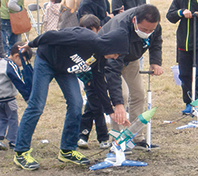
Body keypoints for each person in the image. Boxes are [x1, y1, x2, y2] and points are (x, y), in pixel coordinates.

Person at [13, 26, 129, 171]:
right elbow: (51, 35)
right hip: (46, 60)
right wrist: (31, 44)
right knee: (37, 105)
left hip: (64, 70)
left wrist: (110, 111)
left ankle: (67, 150)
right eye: (117, 53)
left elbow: (99, 84)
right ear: (110, 45)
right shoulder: (84, 38)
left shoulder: (100, 57)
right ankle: (21, 152)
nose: (116, 57)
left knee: (76, 103)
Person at [98, 4, 163, 149]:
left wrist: (155, 62)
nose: (148, 32)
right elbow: (112, 70)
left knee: (139, 94)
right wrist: (118, 104)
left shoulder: (154, 25)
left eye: (151, 30)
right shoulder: (119, 30)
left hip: (131, 58)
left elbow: (156, 41)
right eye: (144, 29)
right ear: (134, 20)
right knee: (122, 95)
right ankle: (117, 138)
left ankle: (135, 137)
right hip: (110, 57)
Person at [77, 14, 110, 149]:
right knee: (96, 109)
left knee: (92, 108)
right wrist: (88, 80)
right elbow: (80, 66)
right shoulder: (80, 46)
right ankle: (103, 138)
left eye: (91, 30)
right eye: (85, 30)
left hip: (101, 82)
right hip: (90, 82)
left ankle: (82, 135)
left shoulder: (100, 44)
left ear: (98, 29)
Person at [0, 41, 33, 151]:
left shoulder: (1, 62)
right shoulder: (11, 66)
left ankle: (0, 136)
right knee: (13, 118)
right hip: (9, 99)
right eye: (23, 61)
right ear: (16, 56)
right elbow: (18, 82)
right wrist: (28, 98)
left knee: (2, 118)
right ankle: (13, 140)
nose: (23, 64)